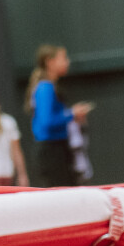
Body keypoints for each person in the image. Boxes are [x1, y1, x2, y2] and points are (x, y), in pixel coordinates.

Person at [28, 45, 92, 187]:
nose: (67, 62)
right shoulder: (45, 87)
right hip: (51, 152)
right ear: (50, 62)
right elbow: (47, 121)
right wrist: (72, 114)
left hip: (57, 149)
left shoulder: (49, 86)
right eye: (63, 58)